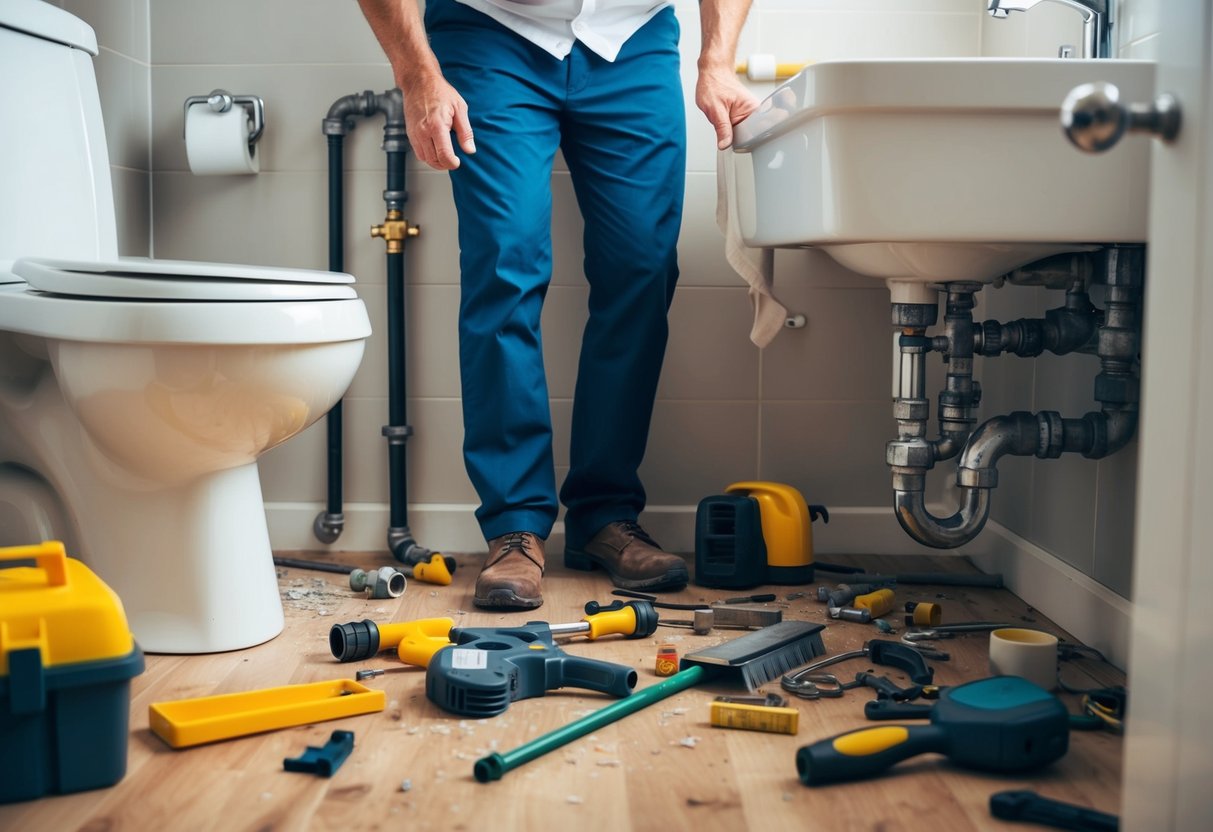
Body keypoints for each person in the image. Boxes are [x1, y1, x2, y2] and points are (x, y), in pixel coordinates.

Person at [356, 0, 759, 610]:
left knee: (643, 269)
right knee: (503, 266)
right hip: (491, 31)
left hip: (633, 36)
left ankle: (606, 515)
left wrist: (718, 59)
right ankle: (514, 526)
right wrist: (418, 75)